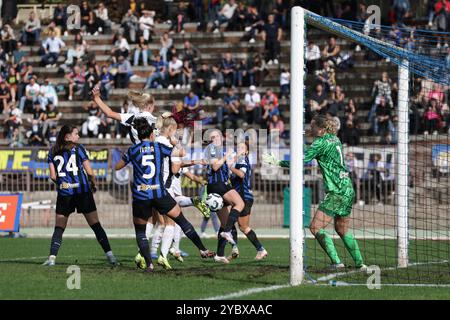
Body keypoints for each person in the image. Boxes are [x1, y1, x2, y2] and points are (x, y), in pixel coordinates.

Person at [263, 115, 367, 270]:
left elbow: (301, 162)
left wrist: (277, 162)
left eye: (312, 127)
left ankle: (337, 262)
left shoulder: (320, 143)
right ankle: (360, 263)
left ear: (321, 129)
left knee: (315, 227)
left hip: (336, 191)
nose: (309, 129)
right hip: (347, 188)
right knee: (342, 229)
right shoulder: (334, 138)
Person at [115, 118, 214, 272]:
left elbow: (117, 167)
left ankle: (149, 264)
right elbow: (181, 153)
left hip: (141, 196)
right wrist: (175, 143)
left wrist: (129, 159)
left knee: (141, 231)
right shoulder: (159, 147)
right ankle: (202, 249)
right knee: (180, 219)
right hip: (159, 193)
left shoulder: (133, 150)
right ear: (151, 135)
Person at [43, 125, 117, 267]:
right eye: (76, 134)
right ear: (67, 136)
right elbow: (90, 172)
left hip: (65, 194)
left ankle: (52, 258)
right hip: (82, 192)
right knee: (96, 225)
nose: (78, 136)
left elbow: (53, 176)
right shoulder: (79, 149)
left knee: (59, 227)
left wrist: (63, 184)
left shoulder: (52, 151)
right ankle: (111, 257)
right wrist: (93, 184)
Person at [204, 129, 246, 262]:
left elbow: (225, 166)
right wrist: (226, 156)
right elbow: (216, 167)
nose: (214, 139)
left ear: (221, 137)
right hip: (218, 185)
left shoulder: (217, 150)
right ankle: (228, 232)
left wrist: (236, 156)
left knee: (223, 223)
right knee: (239, 204)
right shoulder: (212, 149)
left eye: (216, 136)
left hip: (216, 186)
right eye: (212, 137)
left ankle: (219, 255)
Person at [228, 141, 267, 261]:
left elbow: (241, 174)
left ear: (246, 151)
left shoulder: (242, 160)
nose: (239, 149)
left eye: (242, 147)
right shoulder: (238, 161)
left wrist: (230, 166)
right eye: (238, 147)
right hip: (243, 197)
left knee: (238, 225)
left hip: (243, 197)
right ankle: (237, 249)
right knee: (239, 225)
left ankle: (259, 249)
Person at [92, 85, 157, 144]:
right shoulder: (157, 121)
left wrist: (97, 98)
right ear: (149, 106)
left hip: (137, 154)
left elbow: (109, 113)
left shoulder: (132, 118)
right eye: (154, 106)